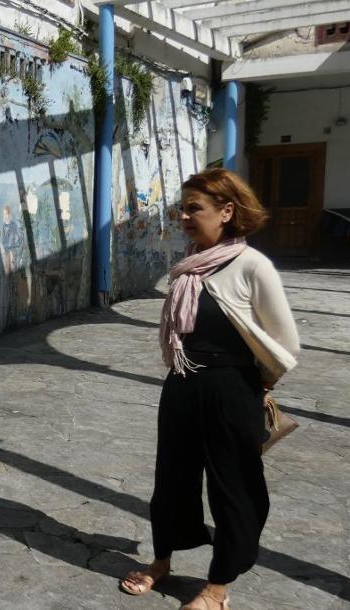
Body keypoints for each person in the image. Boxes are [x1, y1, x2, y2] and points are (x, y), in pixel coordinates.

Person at [120, 168, 300, 610]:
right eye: (180, 208)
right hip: (182, 385)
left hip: (231, 389)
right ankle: (162, 561)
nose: (183, 216)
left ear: (227, 211)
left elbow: (286, 343)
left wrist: (257, 386)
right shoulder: (189, 264)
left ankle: (219, 586)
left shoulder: (252, 265)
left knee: (232, 486)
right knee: (171, 481)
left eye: (193, 208)